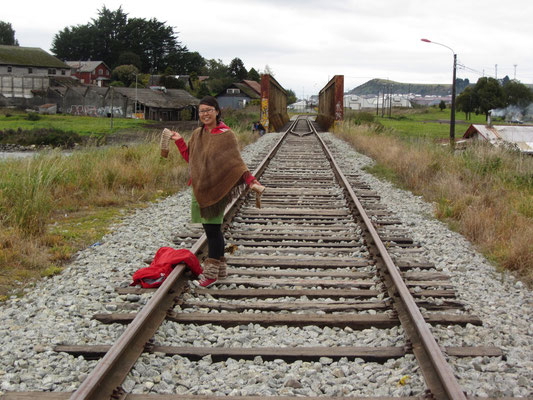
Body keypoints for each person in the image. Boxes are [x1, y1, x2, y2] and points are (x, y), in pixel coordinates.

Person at [167, 96, 265, 287]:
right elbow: (191, 159)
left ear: (217, 111)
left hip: (217, 189)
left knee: (212, 232)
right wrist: (179, 141)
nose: (205, 114)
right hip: (200, 187)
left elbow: (236, 164)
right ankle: (220, 270)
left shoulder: (226, 135)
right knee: (212, 230)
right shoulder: (197, 134)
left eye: (208, 110)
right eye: (201, 111)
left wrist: (251, 181)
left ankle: (210, 275)